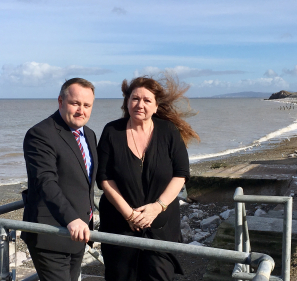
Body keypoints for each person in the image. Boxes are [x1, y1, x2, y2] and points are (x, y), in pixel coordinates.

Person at [97, 75, 199, 281]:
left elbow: (181, 174)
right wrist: (129, 214)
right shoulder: (112, 131)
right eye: (135, 98)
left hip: (161, 228)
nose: (140, 104)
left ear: (155, 106)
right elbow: (104, 178)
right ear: (126, 102)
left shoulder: (169, 131)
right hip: (119, 227)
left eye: (146, 100)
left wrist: (157, 207)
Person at [21, 78, 98, 281]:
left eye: (87, 105)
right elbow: (45, 181)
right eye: (75, 103)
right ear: (60, 101)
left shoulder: (89, 135)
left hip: (80, 233)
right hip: (51, 233)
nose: (81, 110)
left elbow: (84, 182)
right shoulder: (40, 134)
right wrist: (71, 219)